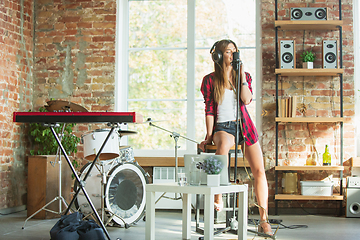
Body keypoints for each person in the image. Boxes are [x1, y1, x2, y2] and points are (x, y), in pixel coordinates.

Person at [199, 39, 273, 235]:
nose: (232, 55)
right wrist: (208, 135)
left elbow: (247, 100)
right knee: (222, 149)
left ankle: (264, 220)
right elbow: (209, 110)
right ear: (218, 56)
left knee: (259, 170)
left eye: (234, 52)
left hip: (244, 126)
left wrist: (240, 76)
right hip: (223, 127)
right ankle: (218, 195)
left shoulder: (244, 76)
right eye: (228, 52)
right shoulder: (210, 80)